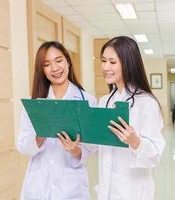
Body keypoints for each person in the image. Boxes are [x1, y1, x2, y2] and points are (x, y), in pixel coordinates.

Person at [17, 41, 96, 200]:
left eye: (59, 61)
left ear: (67, 61)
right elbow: (22, 145)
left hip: (72, 188)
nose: (54, 68)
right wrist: (39, 137)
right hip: (38, 187)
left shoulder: (87, 101)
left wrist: (75, 150)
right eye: (47, 64)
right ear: (42, 70)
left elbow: (92, 147)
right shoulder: (34, 104)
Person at [96, 36, 166, 200]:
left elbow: (155, 155)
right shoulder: (104, 101)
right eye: (104, 61)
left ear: (128, 63)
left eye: (112, 62)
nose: (106, 67)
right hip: (107, 189)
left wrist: (136, 142)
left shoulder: (146, 103)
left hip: (133, 191)